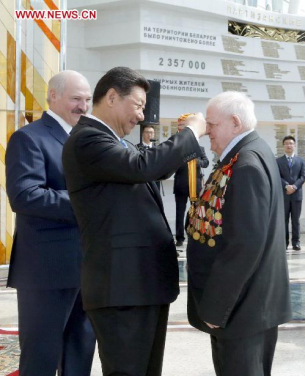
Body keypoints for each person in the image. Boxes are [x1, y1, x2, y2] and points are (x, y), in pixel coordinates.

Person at [62, 66, 206, 375]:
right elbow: (142, 167)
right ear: (112, 97)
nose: (141, 116)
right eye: (138, 105)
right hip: (121, 289)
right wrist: (189, 133)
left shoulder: (114, 142)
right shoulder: (87, 139)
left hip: (140, 285)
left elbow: (152, 169)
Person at [186, 91, 291, 376]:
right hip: (247, 306)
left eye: (211, 124)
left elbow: (244, 245)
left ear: (234, 122)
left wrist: (216, 308)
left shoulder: (246, 164)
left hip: (242, 310)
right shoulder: (247, 152)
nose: (207, 132)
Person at [5, 70, 96, 375]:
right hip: (45, 270)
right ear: (53, 96)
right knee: (41, 359)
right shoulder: (28, 137)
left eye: (86, 100)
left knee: (80, 354)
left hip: (87, 268)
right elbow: (25, 196)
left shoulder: (85, 139)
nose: (82, 106)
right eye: (75, 99)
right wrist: (88, 201)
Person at [173, 113, 210, 247]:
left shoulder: (199, 148)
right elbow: (172, 164)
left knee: (196, 211)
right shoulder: (177, 148)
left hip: (196, 185)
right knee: (179, 212)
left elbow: (206, 162)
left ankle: (194, 234)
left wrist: (196, 161)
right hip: (181, 185)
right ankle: (179, 237)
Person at [277, 135, 305, 250]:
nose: (289, 145)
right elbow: (277, 176)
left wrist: (294, 186)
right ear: (283, 146)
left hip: (296, 195)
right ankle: (284, 242)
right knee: (283, 220)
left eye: (291, 143)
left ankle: (296, 242)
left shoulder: (301, 161)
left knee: (295, 220)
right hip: (284, 195)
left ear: (294, 145)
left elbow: (303, 176)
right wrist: (286, 186)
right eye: (286, 143)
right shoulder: (278, 161)